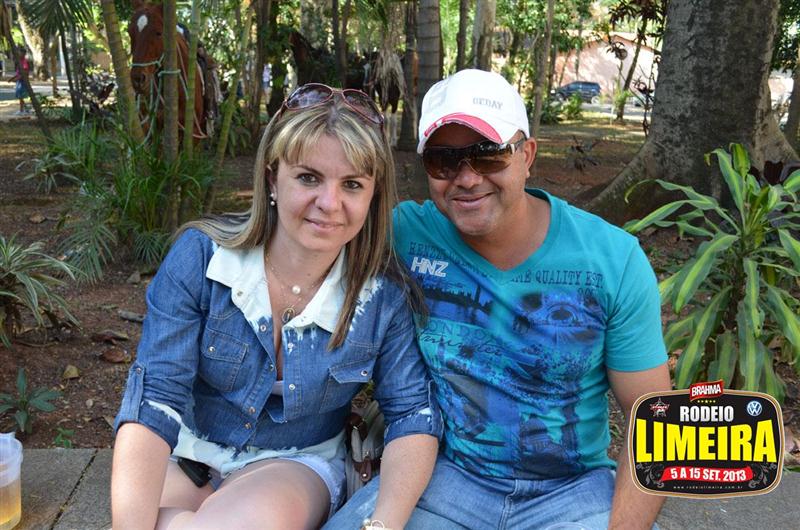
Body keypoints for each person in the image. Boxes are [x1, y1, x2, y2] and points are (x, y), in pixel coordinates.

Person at [326, 69, 671, 529]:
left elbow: (656, 422)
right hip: (445, 477)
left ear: (527, 155)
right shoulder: (405, 234)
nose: (467, 178)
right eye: (444, 161)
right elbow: (309, 226)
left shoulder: (612, 259)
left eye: (488, 155)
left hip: (571, 492)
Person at [111, 83, 441, 530]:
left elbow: (412, 415)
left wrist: (382, 526)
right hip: (188, 452)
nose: (329, 204)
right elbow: (155, 399)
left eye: (351, 184)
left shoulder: (382, 296)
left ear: (372, 195)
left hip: (294, 462)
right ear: (272, 178)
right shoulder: (202, 259)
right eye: (308, 178)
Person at [8, 48, 30, 115]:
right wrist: (12, 78)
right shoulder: (19, 62)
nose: (19, 54)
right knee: (20, 97)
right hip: (19, 81)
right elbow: (18, 73)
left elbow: (25, 72)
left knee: (21, 96)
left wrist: (17, 79)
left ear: (23, 54)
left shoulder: (24, 62)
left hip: (22, 81)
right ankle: (25, 109)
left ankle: (21, 110)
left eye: (20, 53)